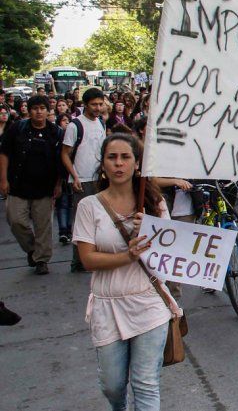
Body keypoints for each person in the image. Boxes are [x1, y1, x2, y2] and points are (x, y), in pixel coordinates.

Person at [72, 133, 179, 410]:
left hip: (148, 302)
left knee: (146, 383)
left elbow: (171, 253)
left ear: (137, 163)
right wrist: (127, 255)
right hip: (108, 305)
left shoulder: (155, 205)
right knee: (113, 385)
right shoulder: (89, 206)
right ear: (103, 164)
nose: (119, 164)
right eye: (112, 157)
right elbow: (87, 259)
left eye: (125, 157)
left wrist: (153, 227)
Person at [0, 95, 63, 275]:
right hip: (17, 185)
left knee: (43, 226)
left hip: (44, 188)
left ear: (47, 110)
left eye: (42, 108)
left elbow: (61, 161)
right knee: (16, 221)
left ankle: (41, 260)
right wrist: (3, 179)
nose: (39, 112)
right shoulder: (17, 128)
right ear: (29, 110)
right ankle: (32, 249)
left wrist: (58, 185)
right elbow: (4, 153)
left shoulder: (56, 132)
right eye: (35, 108)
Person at [62, 88, 107, 272]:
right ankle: (78, 261)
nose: (97, 108)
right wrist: (74, 176)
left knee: (99, 220)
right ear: (85, 105)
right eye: (94, 104)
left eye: (100, 104)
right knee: (82, 222)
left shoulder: (101, 123)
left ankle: (94, 257)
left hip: (99, 179)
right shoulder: (75, 125)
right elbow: (65, 154)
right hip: (81, 180)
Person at [55, 114, 74, 244]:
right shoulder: (57, 137)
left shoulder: (75, 138)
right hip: (61, 177)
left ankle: (68, 229)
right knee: (62, 204)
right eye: (63, 120)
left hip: (74, 177)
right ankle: (63, 230)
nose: (66, 123)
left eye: (68, 120)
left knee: (71, 204)